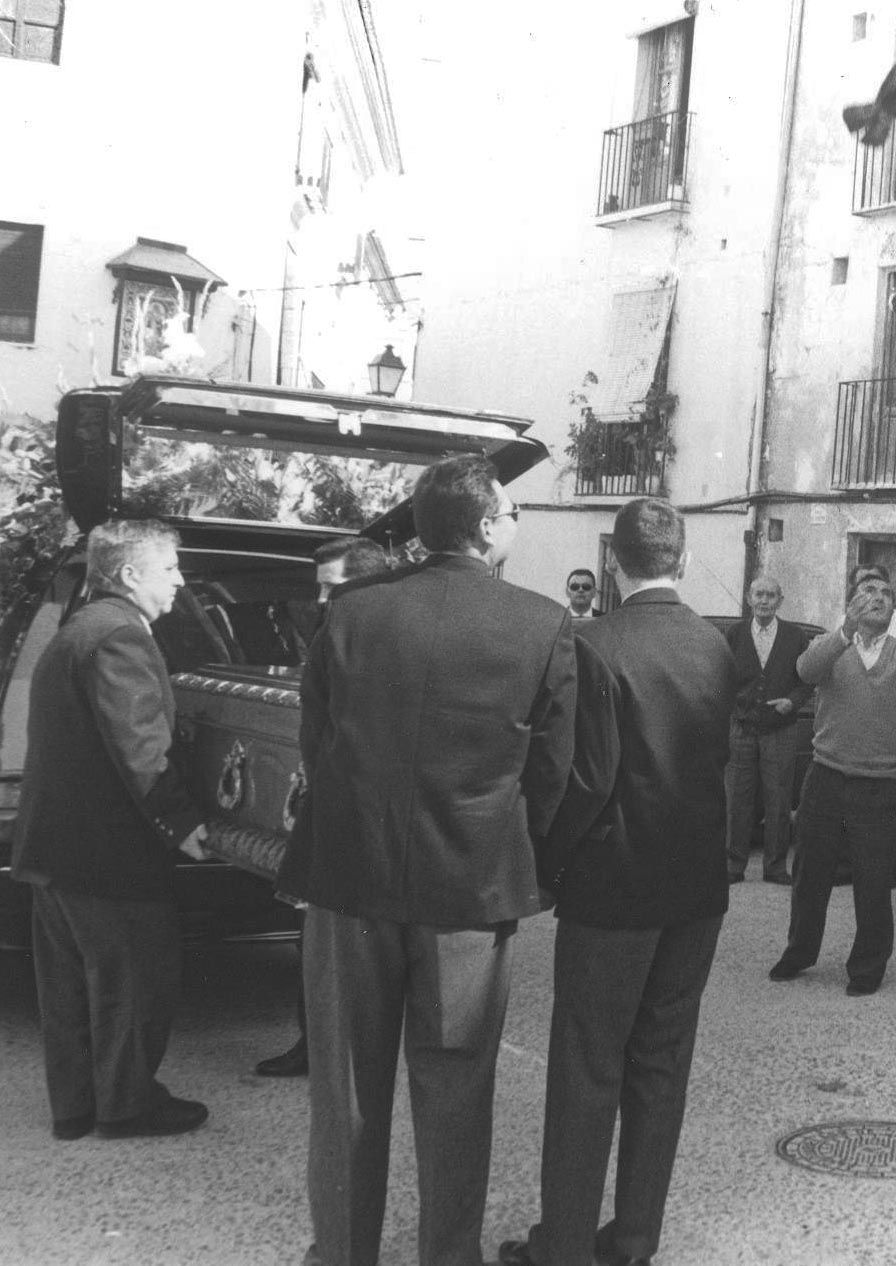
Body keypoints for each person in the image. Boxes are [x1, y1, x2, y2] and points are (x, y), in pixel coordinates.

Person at [279, 455, 586, 1266]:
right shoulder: (543, 622)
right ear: (486, 527)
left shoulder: (351, 613)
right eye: (512, 512)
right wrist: (531, 866)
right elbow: (554, 773)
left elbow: (318, 739)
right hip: (470, 891)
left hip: (350, 879)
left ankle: (344, 1254)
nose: (516, 524)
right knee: (455, 1091)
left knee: (345, 1087)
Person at [503, 499, 733, 1266]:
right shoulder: (714, 644)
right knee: (661, 1063)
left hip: (613, 885)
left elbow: (584, 776)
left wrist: (544, 866)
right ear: (682, 557)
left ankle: (562, 1246)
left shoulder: (591, 643)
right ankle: (634, 1237)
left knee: (587, 1066)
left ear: (614, 561)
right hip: (696, 887)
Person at [12, 519, 210, 1141]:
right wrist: (183, 824)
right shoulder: (121, 636)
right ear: (130, 575)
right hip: (108, 855)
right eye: (170, 567)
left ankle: (74, 1109)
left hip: (55, 851)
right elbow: (141, 746)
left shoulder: (78, 628)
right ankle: (127, 1108)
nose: (180, 580)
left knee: (69, 991)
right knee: (132, 979)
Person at [254, 536, 394, 1080]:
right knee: (318, 939)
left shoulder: (376, 635)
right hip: (333, 806)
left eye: (330, 586)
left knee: (348, 944)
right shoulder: (332, 629)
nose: (319, 598)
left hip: (361, 811)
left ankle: (336, 1050)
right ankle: (314, 1044)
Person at [769, 572, 896, 995]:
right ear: (850, 603)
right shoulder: (832, 646)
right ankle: (800, 951)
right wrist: (844, 629)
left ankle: (867, 967)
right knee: (810, 875)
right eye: (868, 592)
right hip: (826, 776)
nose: (878, 599)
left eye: (885, 594)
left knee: (873, 879)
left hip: (880, 783)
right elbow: (805, 670)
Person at [724, 574, 811, 885]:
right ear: (749, 598)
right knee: (737, 799)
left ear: (780, 601)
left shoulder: (795, 636)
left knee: (778, 799)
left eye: (770, 596)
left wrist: (792, 701)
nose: (763, 601)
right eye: (758, 595)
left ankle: (775, 867)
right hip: (741, 729)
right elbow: (721, 678)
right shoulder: (734, 634)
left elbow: (806, 681)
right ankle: (734, 865)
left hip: (780, 729)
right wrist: (734, 708)